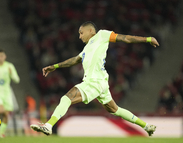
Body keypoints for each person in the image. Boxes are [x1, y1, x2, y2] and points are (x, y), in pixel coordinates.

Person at [30, 21, 159, 136]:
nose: (79, 36)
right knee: (115, 109)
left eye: (81, 33)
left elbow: (125, 38)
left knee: (67, 98)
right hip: (100, 82)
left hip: (94, 81)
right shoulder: (87, 48)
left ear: (91, 31)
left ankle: (48, 125)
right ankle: (146, 126)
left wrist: (147, 39)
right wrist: (55, 66)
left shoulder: (102, 35)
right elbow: (75, 60)